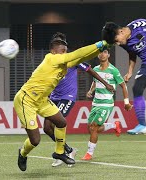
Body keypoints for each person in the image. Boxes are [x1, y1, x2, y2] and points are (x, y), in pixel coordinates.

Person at [13, 32, 110, 171]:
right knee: (35, 140)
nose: (64, 52)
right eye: (61, 50)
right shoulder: (51, 59)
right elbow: (77, 54)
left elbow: (83, 56)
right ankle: (22, 153)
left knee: (61, 122)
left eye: (65, 50)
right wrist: (100, 44)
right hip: (26, 99)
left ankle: (59, 153)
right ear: (53, 51)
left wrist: (102, 48)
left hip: (42, 100)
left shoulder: (65, 62)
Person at [43, 33, 115, 167]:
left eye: (63, 46)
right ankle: (68, 150)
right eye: (58, 45)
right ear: (53, 49)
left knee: (57, 122)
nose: (62, 49)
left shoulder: (73, 60)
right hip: (54, 97)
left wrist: (106, 84)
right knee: (47, 128)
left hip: (67, 97)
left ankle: (61, 153)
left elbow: (91, 71)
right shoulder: (49, 61)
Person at [81, 49, 133, 160]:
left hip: (106, 103)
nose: (102, 54)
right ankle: (114, 125)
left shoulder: (113, 70)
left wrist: (126, 103)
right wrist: (91, 91)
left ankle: (89, 153)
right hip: (96, 103)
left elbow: (123, 86)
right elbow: (95, 82)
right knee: (90, 128)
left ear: (108, 54)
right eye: (100, 52)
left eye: (105, 52)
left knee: (94, 127)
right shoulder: (95, 69)